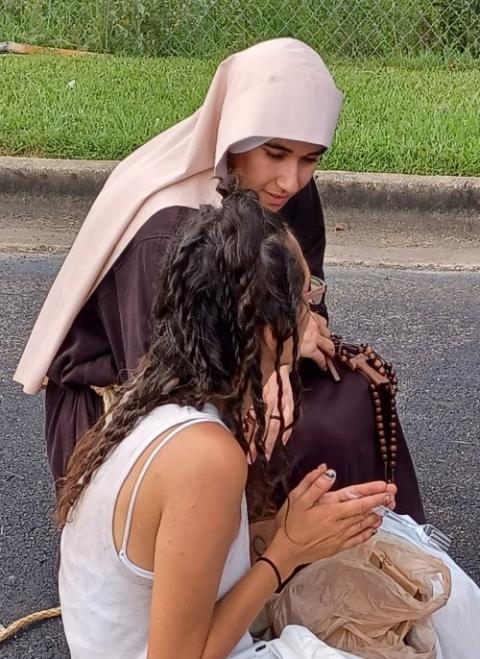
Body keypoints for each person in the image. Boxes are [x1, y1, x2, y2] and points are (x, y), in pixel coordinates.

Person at [14, 37, 425, 521]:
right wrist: (276, 359)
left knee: (355, 396)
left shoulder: (289, 195)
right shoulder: (163, 233)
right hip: (134, 395)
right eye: (275, 152)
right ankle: (267, 571)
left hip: (250, 359)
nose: (290, 180)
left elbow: (307, 302)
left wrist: (302, 330)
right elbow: (166, 376)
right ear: (236, 135)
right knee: (298, 437)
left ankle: (376, 553)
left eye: (310, 158)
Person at [57, 189, 396, 658]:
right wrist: (285, 553)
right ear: (267, 331)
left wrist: (282, 529)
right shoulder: (206, 456)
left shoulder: (153, 395)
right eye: (303, 300)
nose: (311, 312)